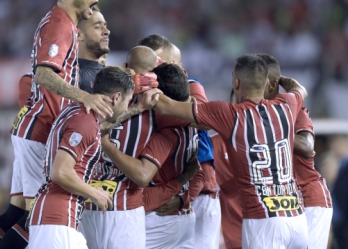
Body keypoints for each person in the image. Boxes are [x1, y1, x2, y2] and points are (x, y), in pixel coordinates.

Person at [0, 0, 116, 249]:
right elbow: (43, 74)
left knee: (18, 214)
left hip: (34, 128)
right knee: (39, 218)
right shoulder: (60, 24)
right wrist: (84, 97)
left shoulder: (63, 23)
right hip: (40, 131)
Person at [141, 54, 309, 248]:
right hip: (297, 218)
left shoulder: (228, 114)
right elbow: (300, 89)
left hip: (263, 220)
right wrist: (282, 81)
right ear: (266, 84)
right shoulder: (287, 104)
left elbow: (165, 105)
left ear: (236, 82)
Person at [80, 47, 201, 249]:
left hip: (126, 210)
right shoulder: (105, 100)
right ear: (127, 71)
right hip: (93, 205)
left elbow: (198, 121)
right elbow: (93, 128)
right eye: (143, 74)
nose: (147, 81)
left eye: (152, 75)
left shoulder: (157, 110)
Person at [27, 66, 134, 249]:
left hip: (57, 217)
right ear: (116, 98)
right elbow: (60, 172)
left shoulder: (78, 111)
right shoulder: (86, 122)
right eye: (128, 101)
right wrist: (95, 193)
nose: (127, 107)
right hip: (57, 219)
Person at [139, 34, 221, 249]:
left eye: (158, 62)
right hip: (164, 189)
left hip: (200, 192)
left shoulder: (190, 86)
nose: (153, 69)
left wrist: (184, 197)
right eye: (148, 63)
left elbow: (203, 119)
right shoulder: (141, 93)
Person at [256, 53, 333, 249]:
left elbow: (307, 147)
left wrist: (264, 127)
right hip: (280, 203)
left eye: (253, 79)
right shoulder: (247, 113)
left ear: (271, 85)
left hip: (309, 200)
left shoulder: (293, 109)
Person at [212, 90, 243, 249]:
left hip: (271, 228)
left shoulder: (274, 144)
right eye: (238, 104)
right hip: (233, 236)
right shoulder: (214, 146)